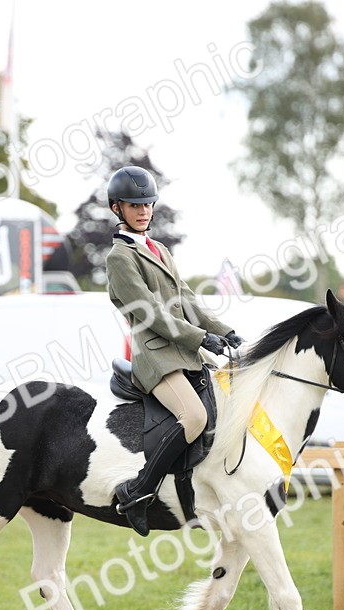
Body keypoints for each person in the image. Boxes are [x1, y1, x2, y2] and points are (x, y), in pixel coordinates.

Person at [103, 165, 241, 536]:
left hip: (186, 351)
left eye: (147, 204)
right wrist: (199, 338)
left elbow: (186, 299)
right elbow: (151, 313)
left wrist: (224, 331)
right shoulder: (120, 258)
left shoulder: (158, 248)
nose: (143, 211)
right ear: (117, 209)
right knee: (194, 416)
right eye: (134, 205)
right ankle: (138, 491)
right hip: (156, 356)